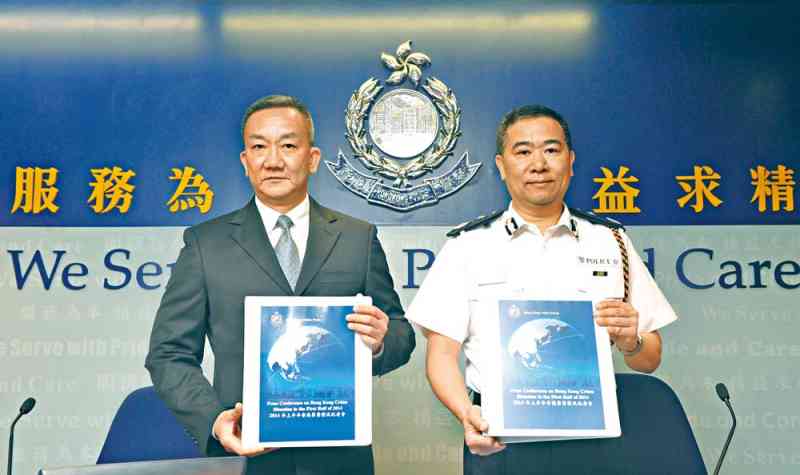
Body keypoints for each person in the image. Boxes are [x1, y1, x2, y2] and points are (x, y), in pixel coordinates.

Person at [145, 95, 415, 474]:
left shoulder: (357, 238)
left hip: (339, 459)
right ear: (245, 161)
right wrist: (214, 420)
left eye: (288, 145)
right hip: (244, 456)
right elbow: (168, 353)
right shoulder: (206, 244)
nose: (273, 160)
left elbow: (401, 334)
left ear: (313, 158)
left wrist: (382, 340)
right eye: (259, 146)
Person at [405, 104, 677, 474]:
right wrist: (466, 414)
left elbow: (650, 358)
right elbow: (440, 354)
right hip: (498, 440)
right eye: (523, 152)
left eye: (551, 150)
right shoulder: (467, 245)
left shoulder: (610, 241)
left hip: (596, 440)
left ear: (570, 160)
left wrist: (632, 341)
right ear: (501, 166)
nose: (538, 164)